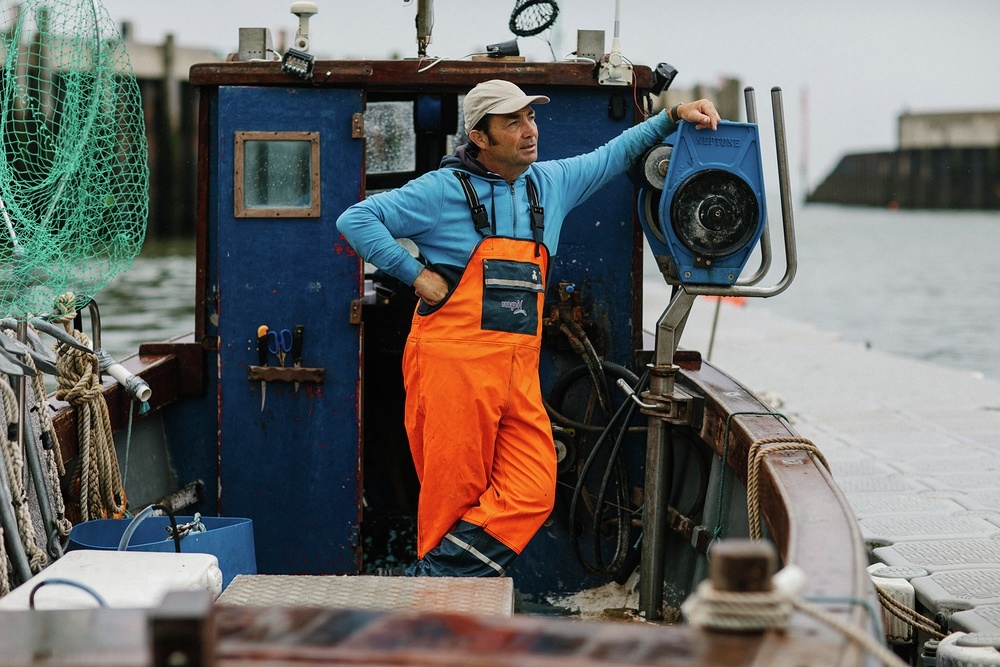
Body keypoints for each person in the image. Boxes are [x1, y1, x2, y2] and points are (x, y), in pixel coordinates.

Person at [337, 79, 720, 577]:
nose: (529, 130)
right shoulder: (441, 190)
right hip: (454, 365)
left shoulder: (550, 183)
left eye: (530, 117)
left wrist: (672, 117)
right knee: (453, 498)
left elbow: (615, 154)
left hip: (518, 369)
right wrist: (417, 276)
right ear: (480, 137)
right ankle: (441, 608)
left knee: (534, 489)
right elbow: (357, 219)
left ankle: (432, 580)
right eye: (512, 121)